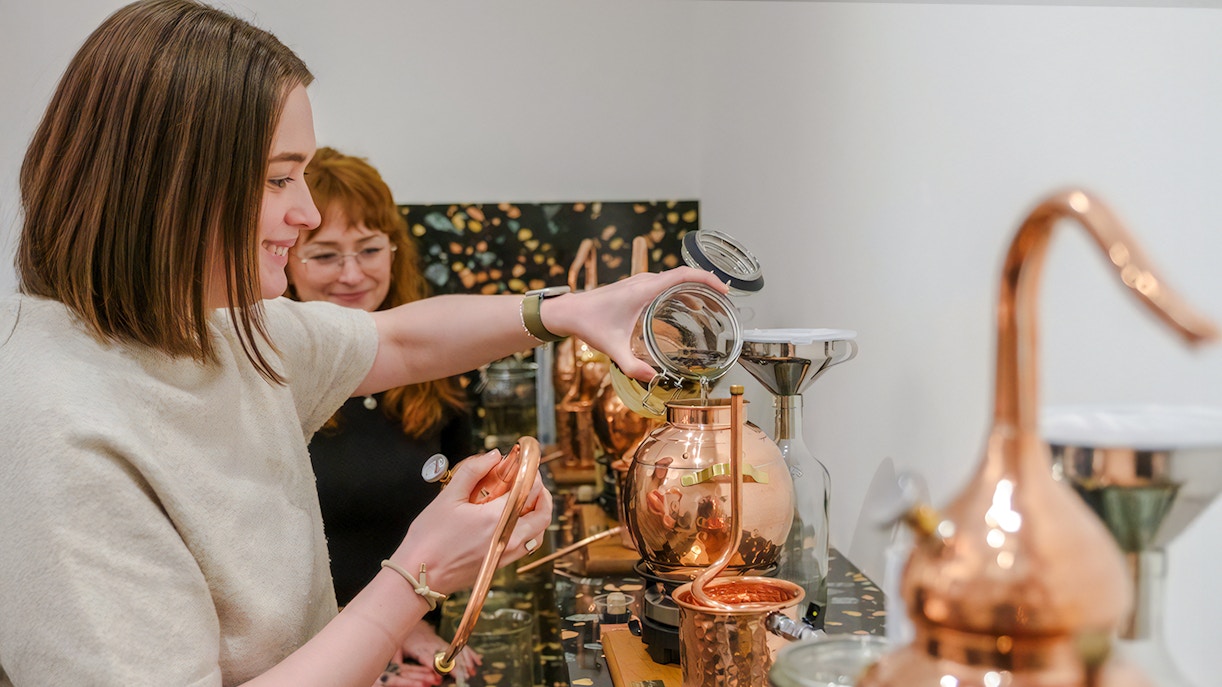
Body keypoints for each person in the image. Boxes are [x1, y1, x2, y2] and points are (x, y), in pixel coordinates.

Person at [0, 1, 726, 686]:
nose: (305, 211)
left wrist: (570, 310)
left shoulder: (206, 327)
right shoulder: (57, 426)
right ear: (170, 184)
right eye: (281, 178)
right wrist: (419, 575)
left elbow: (400, 342)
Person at [286, 147, 478, 685]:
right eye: (324, 255)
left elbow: (455, 514)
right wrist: (373, 650)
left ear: (395, 250)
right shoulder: (269, 381)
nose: (352, 274)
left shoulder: (440, 370)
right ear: (283, 260)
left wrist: (408, 627)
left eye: (369, 249)